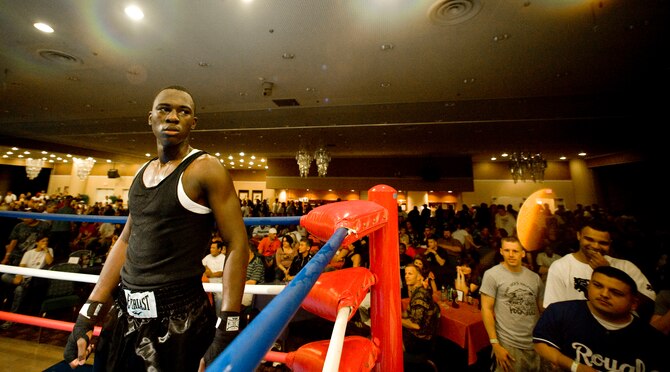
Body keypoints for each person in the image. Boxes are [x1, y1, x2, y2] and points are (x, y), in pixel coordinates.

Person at [63, 86, 249, 371]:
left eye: (183, 112)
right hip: (125, 311)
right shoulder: (142, 172)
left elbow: (237, 243)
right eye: (165, 109)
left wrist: (228, 326)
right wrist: (90, 311)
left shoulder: (206, 169)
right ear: (150, 118)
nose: (173, 117)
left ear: (193, 123)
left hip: (179, 318)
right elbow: (126, 240)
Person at [533, 266, 669, 371]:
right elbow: (540, 345)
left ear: (633, 303)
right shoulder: (560, 312)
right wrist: (574, 366)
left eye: (616, 293)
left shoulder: (651, 340)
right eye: (597, 286)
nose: (604, 294)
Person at [543, 219, 656, 321]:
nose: (596, 246)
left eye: (603, 243)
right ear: (579, 236)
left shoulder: (626, 267)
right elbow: (553, 311)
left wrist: (608, 271)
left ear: (610, 243)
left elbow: (649, 307)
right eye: (589, 239)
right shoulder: (561, 266)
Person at [480, 236, 545, 372]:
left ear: (522, 253)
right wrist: (495, 344)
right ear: (501, 251)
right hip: (508, 344)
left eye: (515, 251)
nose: (511, 255)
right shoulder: (492, 275)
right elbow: (486, 309)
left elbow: (542, 310)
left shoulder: (534, 278)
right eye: (507, 250)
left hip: (534, 343)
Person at [1, 236, 53, 329]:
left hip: (34, 279)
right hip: (23, 277)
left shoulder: (49, 250)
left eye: (47, 241)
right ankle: (22, 284)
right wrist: (19, 276)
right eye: (43, 241)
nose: (45, 243)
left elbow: (50, 262)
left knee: (19, 289)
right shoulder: (29, 253)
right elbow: (22, 265)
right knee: (5, 276)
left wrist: (46, 250)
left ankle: (11, 320)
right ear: (37, 242)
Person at [401, 263, 441, 368]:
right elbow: (408, 313)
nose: (406, 276)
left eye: (410, 273)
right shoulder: (417, 291)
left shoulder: (420, 295)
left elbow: (416, 325)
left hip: (420, 341)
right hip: (417, 336)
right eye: (405, 273)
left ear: (419, 277)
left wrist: (394, 319)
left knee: (388, 341)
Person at [202, 240, 227, 311]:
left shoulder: (223, 258)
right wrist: (206, 268)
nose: (211, 250)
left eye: (213, 248)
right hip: (206, 282)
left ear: (219, 249)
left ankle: (218, 317)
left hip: (218, 282)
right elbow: (202, 266)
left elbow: (221, 273)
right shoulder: (207, 257)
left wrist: (211, 274)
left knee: (219, 298)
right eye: (210, 248)